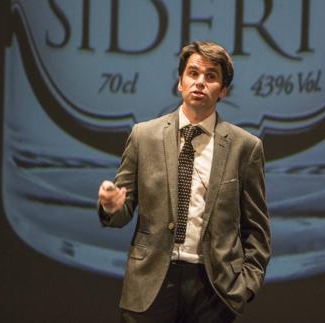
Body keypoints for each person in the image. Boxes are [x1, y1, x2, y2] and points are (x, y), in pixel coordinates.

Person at [98, 40, 271, 323]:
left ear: (223, 90)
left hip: (213, 288)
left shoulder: (245, 147)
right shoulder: (144, 136)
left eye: (211, 76)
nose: (200, 82)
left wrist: (245, 286)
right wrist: (111, 206)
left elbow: (257, 228)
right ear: (180, 82)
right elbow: (123, 211)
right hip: (150, 281)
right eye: (193, 73)